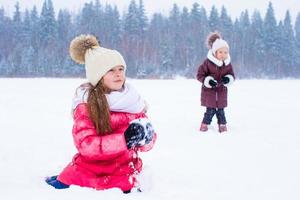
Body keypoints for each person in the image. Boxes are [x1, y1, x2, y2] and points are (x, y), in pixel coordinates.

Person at [45, 34, 156, 193]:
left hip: (127, 168)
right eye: (110, 70)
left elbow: (145, 145)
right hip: (93, 171)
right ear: (98, 76)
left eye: (120, 69)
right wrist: (124, 139)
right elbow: (86, 145)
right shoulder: (87, 105)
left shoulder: (132, 101)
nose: (118, 74)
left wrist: (147, 138)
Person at [196, 32, 235, 133]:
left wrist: (228, 79)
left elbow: (232, 75)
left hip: (221, 92)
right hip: (210, 93)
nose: (223, 55)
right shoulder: (208, 63)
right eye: (220, 52)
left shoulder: (227, 64)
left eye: (225, 52)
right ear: (215, 52)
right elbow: (200, 75)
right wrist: (208, 81)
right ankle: (204, 124)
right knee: (210, 110)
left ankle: (222, 125)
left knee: (221, 111)